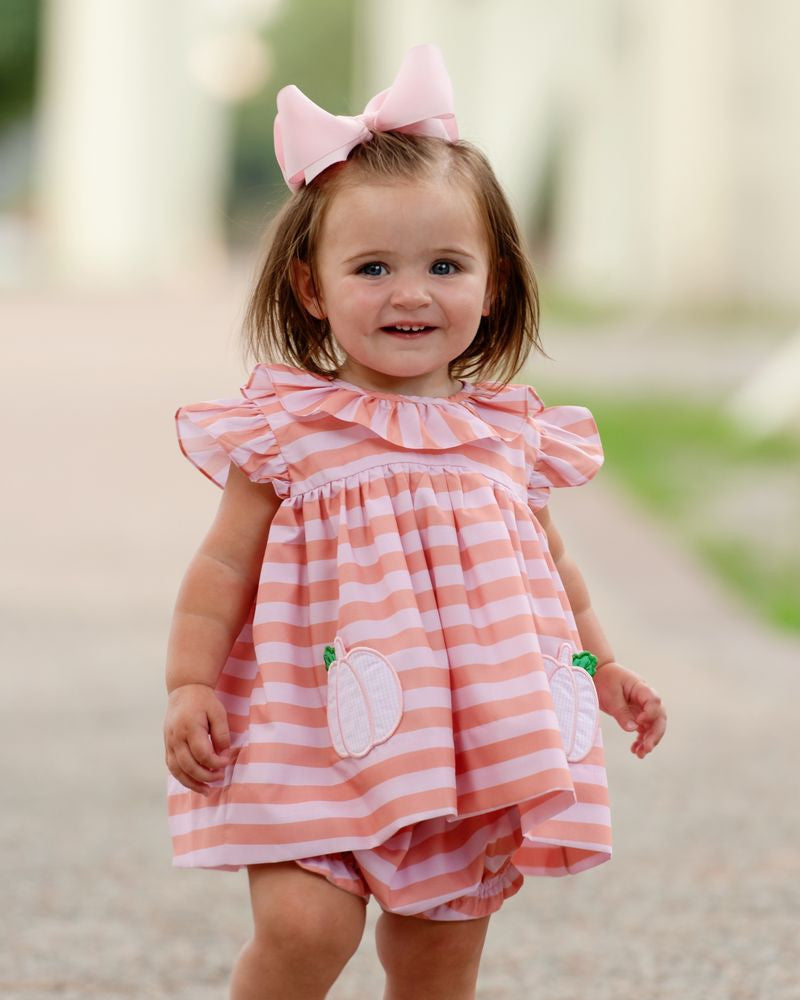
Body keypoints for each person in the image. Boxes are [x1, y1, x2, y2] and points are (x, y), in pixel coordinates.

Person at [163, 43, 667, 1000]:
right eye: (372, 267)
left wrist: (604, 669)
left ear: (496, 284)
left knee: (438, 962)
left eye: (445, 265)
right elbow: (222, 569)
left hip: (469, 745)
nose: (410, 293)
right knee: (307, 931)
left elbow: (553, 575)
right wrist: (190, 682)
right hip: (313, 732)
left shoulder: (509, 435)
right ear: (312, 289)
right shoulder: (292, 431)